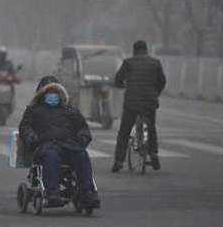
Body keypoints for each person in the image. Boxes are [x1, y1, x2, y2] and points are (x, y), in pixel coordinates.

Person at [19, 75, 100, 207]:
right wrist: (31, 137)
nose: (52, 96)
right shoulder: (33, 111)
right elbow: (25, 127)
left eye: (55, 93)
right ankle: (52, 193)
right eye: (49, 93)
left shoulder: (70, 111)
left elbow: (82, 127)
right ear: (42, 94)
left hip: (68, 145)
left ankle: (87, 193)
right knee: (52, 156)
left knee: (81, 155)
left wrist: (83, 136)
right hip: (45, 145)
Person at [111, 40, 166, 172]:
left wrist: (121, 86)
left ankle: (118, 162)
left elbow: (118, 79)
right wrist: (155, 93)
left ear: (134, 50)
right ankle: (153, 154)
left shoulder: (128, 63)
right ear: (146, 50)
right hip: (149, 102)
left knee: (124, 132)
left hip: (131, 102)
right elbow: (162, 81)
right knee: (151, 127)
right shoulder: (155, 63)